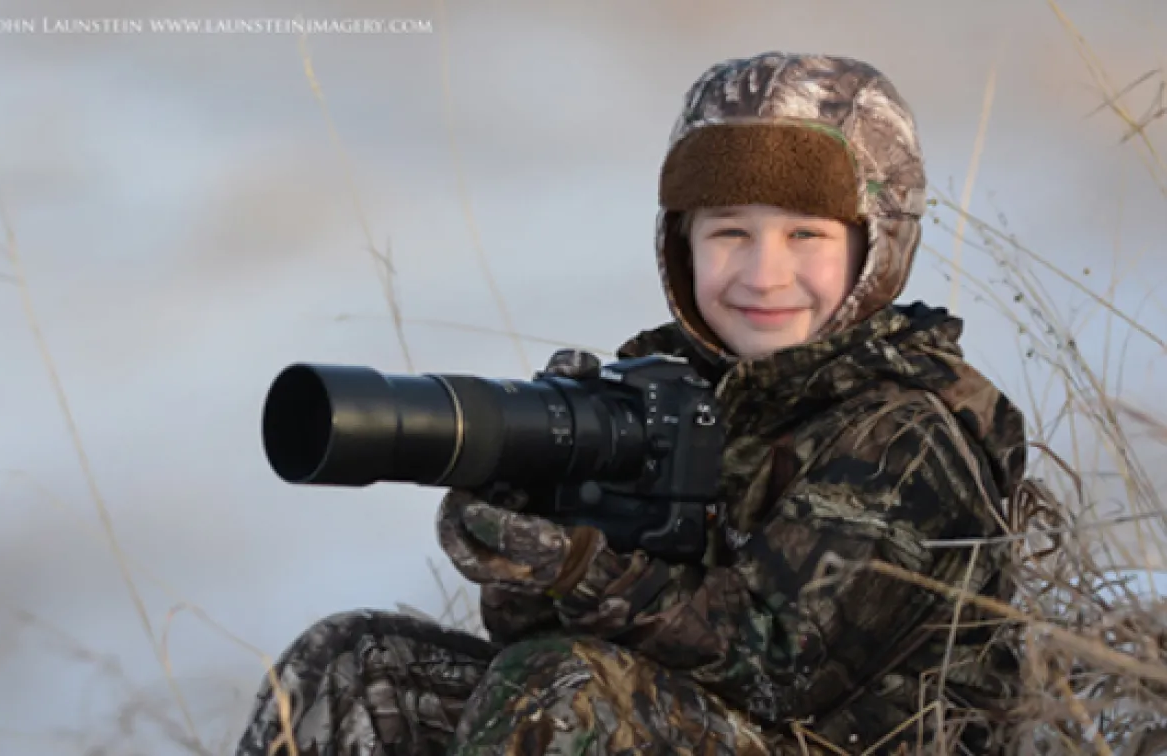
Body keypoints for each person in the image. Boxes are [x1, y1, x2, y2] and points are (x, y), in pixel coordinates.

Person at [233, 51, 1030, 755]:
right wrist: (527, 543)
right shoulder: (669, 386)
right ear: (679, 244)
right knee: (355, 661)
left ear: (874, 247)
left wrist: (581, 569)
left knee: (567, 687)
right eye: (728, 234)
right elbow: (529, 642)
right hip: (669, 719)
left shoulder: (906, 434)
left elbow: (775, 669)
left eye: (805, 237)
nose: (762, 274)